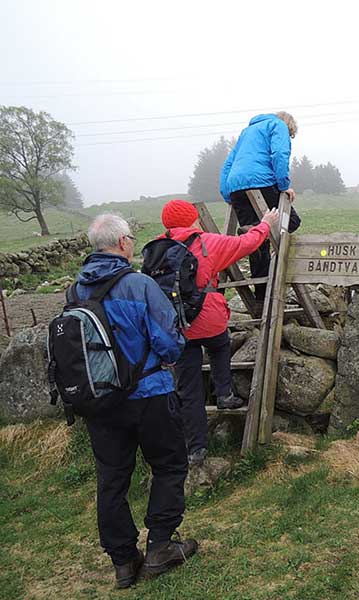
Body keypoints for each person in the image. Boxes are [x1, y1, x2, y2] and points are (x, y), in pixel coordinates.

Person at [74, 214, 196, 588]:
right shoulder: (139, 285)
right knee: (169, 465)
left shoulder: (76, 290)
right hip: (149, 393)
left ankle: (123, 562)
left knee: (112, 479)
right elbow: (169, 342)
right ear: (124, 243)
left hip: (100, 401)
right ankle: (160, 546)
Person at [157, 199, 279, 467]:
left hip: (176, 325)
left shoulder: (156, 250)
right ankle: (224, 394)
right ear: (192, 219)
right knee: (220, 344)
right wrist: (265, 225)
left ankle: (196, 449)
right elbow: (246, 244)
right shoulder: (206, 242)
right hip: (207, 317)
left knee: (189, 391)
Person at [219, 111, 301, 311]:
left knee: (256, 244)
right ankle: (260, 232)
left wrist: (227, 194)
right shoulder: (277, 125)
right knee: (292, 221)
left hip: (236, 187)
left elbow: (228, 163)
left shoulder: (247, 132)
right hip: (261, 182)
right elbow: (279, 154)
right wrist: (284, 186)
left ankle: (260, 300)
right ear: (289, 126)